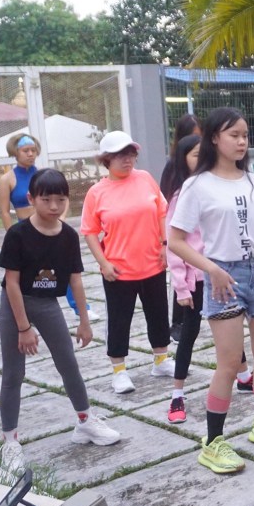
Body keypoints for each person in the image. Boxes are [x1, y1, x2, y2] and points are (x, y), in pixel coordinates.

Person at [169, 107, 254, 473]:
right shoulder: (197, 186)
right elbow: (175, 240)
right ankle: (213, 442)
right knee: (230, 362)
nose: (242, 141)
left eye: (245, 135)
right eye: (234, 135)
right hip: (224, 278)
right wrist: (211, 269)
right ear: (214, 138)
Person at [0, 168, 120, 474]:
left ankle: (85, 421)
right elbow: (11, 283)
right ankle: (10, 440)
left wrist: (84, 320)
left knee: (68, 364)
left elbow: (75, 280)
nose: (54, 206)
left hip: (47, 303)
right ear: (31, 199)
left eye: (60, 199)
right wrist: (23, 328)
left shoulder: (68, 236)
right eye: (46, 199)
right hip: (16, 304)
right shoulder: (17, 234)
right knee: (13, 373)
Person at [160, 134, 254, 424]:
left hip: (223, 276)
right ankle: (177, 394)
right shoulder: (181, 196)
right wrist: (181, 287)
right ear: (183, 159)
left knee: (231, 331)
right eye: (195, 154)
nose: (202, 159)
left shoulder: (217, 188)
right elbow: (174, 245)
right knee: (188, 337)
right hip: (197, 281)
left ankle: (244, 377)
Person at [81, 132, 175, 395]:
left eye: (131, 154)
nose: (128, 160)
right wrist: (103, 263)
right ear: (106, 159)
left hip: (152, 263)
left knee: (158, 313)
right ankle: (119, 370)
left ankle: (161, 359)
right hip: (119, 270)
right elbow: (89, 232)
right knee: (119, 320)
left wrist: (165, 245)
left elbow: (162, 213)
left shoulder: (145, 179)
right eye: (121, 155)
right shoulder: (97, 192)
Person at [0, 133, 99, 322]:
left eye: (33, 150)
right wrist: (11, 235)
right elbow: (4, 211)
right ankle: (24, 314)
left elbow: (62, 198)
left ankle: (81, 308)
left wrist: (60, 219)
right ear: (15, 152)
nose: (30, 154)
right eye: (25, 150)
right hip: (24, 231)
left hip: (50, 229)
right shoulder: (7, 179)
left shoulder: (44, 176)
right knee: (24, 276)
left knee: (65, 269)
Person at [167, 114, 202, 342]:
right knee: (189, 328)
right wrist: (181, 286)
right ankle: (176, 324)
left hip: (210, 269)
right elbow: (174, 239)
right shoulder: (178, 190)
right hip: (190, 269)